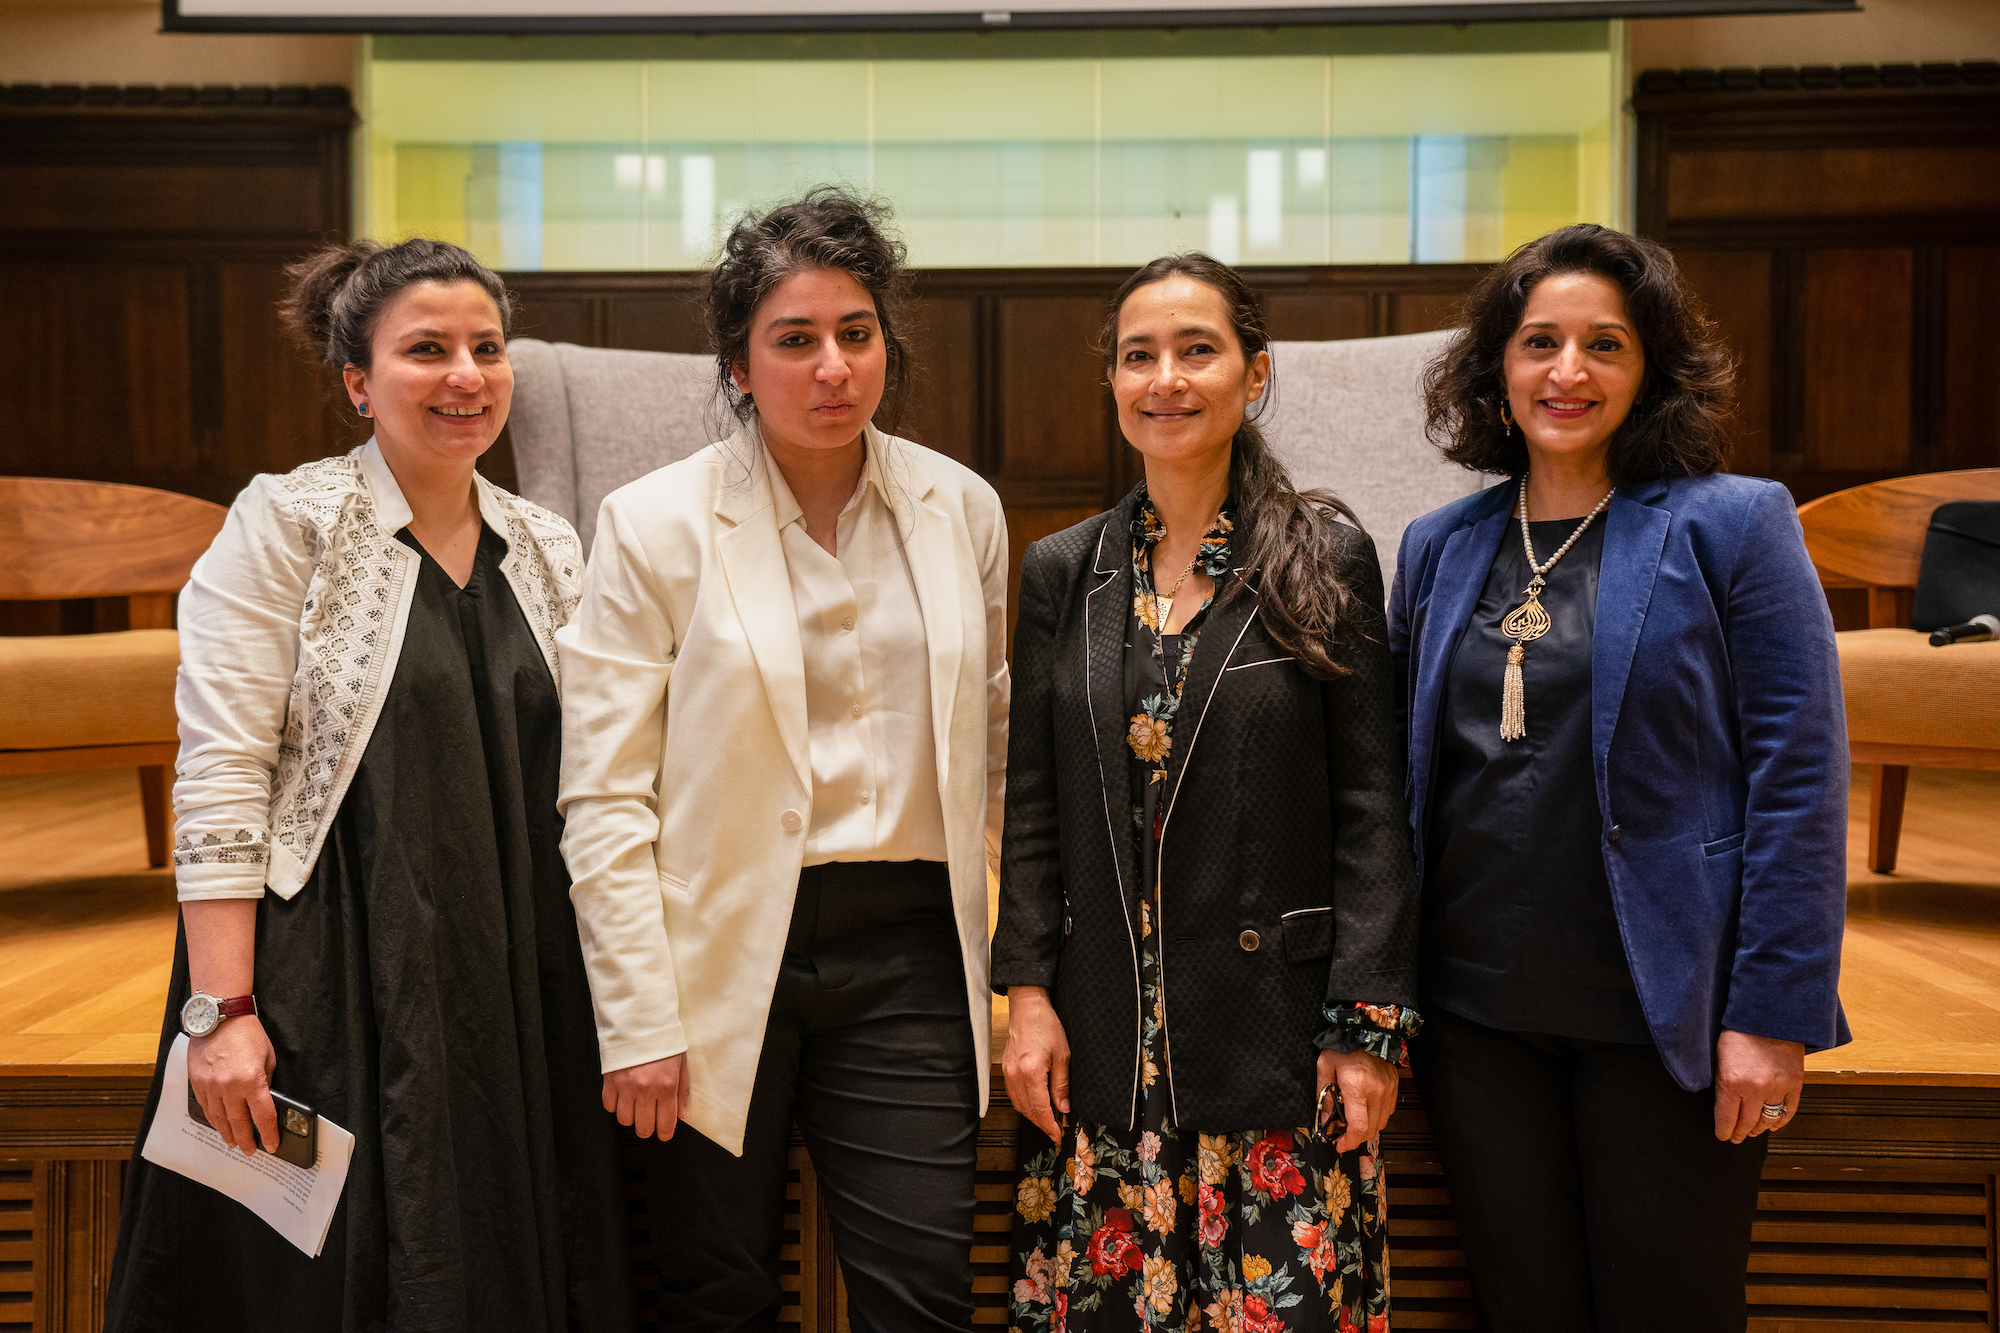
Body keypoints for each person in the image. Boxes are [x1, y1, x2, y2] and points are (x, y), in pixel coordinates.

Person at [104, 238, 631, 1332]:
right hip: (329, 974)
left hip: (511, 974)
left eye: (486, 348)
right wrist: (223, 1014)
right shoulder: (284, 522)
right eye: (426, 350)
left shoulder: (546, 544)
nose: (466, 376)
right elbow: (218, 770)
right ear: (357, 383)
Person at [555, 188, 1009, 1330]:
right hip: (713, 948)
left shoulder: (960, 508)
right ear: (738, 362)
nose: (831, 368)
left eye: (855, 335)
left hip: (906, 949)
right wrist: (637, 1017)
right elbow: (603, 794)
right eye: (793, 340)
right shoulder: (651, 522)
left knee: (925, 1294)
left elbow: (995, 750)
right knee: (717, 1293)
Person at [1399, 222, 1850, 1329]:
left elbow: (1799, 777)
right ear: (1493, 369)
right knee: (1519, 1308)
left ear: (1647, 369)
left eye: (1603, 344)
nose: (1567, 370)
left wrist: (1771, 1011)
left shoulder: (1731, 524)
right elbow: (1401, 782)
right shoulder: (1436, 545)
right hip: (1475, 1016)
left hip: (1666, 1015)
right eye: (1538, 341)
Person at [991, 253, 1422, 1333]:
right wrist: (1028, 996)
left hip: (1273, 1045)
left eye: (1197, 351)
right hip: (1106, 1041)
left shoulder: (1324, 558)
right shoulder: (1061, 570)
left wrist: (1365, 1028)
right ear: (1112, 380)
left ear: (1253, 372)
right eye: (1138, 356)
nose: (1164, 380)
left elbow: (1373, 804)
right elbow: (1034, 802)